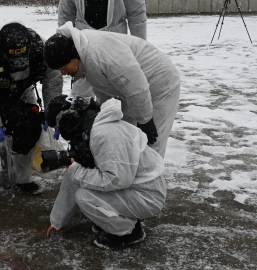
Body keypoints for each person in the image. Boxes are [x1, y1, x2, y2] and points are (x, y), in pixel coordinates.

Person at [44, 95, 167, 250]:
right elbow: (72, 178)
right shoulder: (88, 129)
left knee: (84, 196)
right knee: (83, 182)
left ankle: (128, 232)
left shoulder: (105, 134)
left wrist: (78, 172)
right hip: (136, 187)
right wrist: (57, 221)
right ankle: (117, 220)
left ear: (67, 120)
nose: (60, 133)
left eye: (57, 128)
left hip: (147, 194)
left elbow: (117, 179)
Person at [43, 22, 180, 158]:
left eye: (63, 68)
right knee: (124, 137)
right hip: (133, 91)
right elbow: (104, 90)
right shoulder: (84, 56)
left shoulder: (100, 53)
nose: (63, 73)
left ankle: (151, 177)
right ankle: (128, 173)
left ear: (73, 58)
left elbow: (136, 86)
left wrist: (145, 120)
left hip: (160, 81)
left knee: (151, 143)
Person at [0, 22, 63, 205]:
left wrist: (51, 113)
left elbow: (53, 83)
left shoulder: (42, 50)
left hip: (23, 91)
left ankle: (23, 179)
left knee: (27, 130)